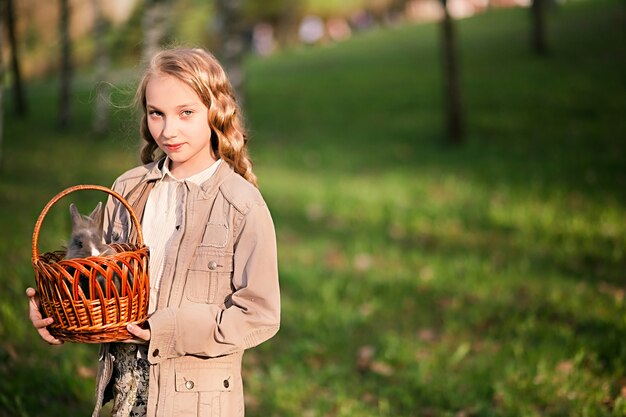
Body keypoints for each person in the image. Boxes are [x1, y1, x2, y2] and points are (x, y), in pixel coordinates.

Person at [26, 47, 281, 417]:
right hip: (127, 395)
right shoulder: (127, 189)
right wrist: (58, 312)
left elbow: (260, 314)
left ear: (215, 111)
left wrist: (167, 329)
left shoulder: (242, 204)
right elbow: (100, 280)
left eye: (186, 113)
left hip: (195, 401)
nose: (168, 130)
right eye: (156, 113)